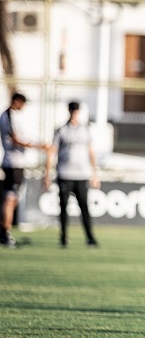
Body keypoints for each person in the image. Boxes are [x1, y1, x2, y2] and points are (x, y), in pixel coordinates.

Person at [43, 101, 100, 248]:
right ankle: (63, 238)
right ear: (69, 111)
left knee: (84, 207)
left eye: (76, 110)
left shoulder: (85, 129)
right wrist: (47, 174)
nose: (74, 113)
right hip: (65, 174)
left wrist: (95, 174)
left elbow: (91, 152)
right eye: (72, 110)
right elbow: (52, 152)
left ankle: (90, 237)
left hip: (81, 175)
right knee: (63, 207)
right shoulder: (61, 130)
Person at [1, 92, 50, 248]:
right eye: (22, 103)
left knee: (13, 198)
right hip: (13, 163)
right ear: (17, 102)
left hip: (17, 164)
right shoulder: (8, 115)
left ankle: (4, 231)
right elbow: (16, 140)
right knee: (10, 199)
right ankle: (5, 233)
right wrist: (38, 146)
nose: (24, 107)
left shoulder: (11, 115)